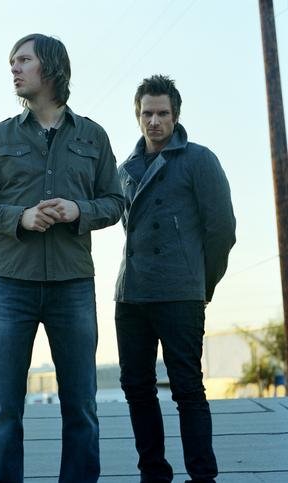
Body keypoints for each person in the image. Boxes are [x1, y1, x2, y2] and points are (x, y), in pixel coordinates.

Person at [0, 33, 123, 483]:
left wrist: (78, 210)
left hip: (73, 284)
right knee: (3, 408)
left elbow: (115, 201)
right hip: (9, 284)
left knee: (81, 405)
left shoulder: (93, 136)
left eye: (23, 60)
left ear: (50, 67)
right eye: (12, 62)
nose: (14, 69)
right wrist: (20, 217)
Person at [114, 75, 236, 483]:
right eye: (147, 113)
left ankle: (202, 476)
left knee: (187, 388)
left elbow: (222, 230)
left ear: (176, 115)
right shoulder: (124, 169)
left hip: (180, 293)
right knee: (136, 387)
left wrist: (203, 284)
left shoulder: (199, 160)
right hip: (131, 295)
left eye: (162, 113)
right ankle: (154, 474)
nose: (154, 121)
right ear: (137, 115)